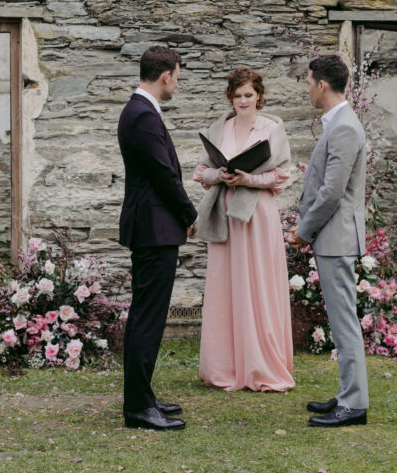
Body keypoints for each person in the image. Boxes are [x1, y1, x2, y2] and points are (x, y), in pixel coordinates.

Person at [193, 66, 294, 392]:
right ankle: (225, 366)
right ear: (230, 97)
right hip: (225, 214)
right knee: (226, 284)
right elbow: (201, 172)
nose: (242, 100)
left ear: (259, 96)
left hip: (257, 215)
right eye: (237, 95)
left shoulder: (271, 128)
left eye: (248, 95)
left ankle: (260, 365)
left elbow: (281, 176)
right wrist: (218, 176)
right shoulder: (220, 126)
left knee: (258, 284)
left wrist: (248, 179)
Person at [118, 46, 198, 431]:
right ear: (165, 74)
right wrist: (189, 212)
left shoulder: (141, 112)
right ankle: (137, 407)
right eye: (178, 76)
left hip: (154, 228)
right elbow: (164, 175)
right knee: (147, 319)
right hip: (153, 229)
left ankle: (143, 396)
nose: (177, 84)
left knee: (146, 316)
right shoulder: (142, 116)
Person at [289, 54, 368, 428]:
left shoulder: (345, 127)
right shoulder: (337, 123)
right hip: (332, 238)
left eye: (308, 82)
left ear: (322, 84)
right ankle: (345, 393)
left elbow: (333, 192)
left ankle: (354, 404)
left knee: (345, 322)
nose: (307, 88)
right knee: (340, 322)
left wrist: (304, 231)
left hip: (335, 238)